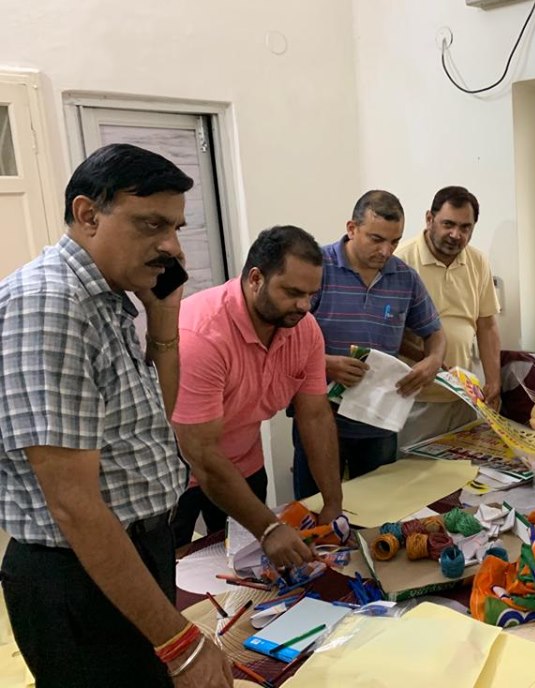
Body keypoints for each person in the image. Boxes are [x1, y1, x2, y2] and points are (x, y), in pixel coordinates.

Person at [0, 144, 232, 687]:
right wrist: (179, 643)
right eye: (152, 224)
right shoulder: (50, 304)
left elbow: (155, 420)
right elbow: (74, 504)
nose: (172, 247)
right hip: (79, 576)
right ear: (88, 215)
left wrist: (164, 317)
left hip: (130, 553)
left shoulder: (106, 298)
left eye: (175, 227)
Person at [171, 226, 343, 569]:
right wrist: (268, 528)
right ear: (255, 279)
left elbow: (315, 416)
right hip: (176, 475)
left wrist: (333, 502)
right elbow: (201, 454)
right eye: (292, 292)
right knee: (173, 572)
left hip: (244, 464)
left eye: (311, 294)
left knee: (246, 568)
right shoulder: (201, 336)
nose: (304, 305)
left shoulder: (304, 329)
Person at [293, 190, 445, 498]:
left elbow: (435, 333)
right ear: (352, 229)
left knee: (378, 505)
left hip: (379, 420)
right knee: (315, 507)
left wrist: (433, 360)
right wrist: (324, 364)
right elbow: (281, 340)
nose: (386, 251)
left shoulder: (404, 278)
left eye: (394, 241)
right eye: (376, 239)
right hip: (319, 417)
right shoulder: (316, 268)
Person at [395, 186, 501, 446]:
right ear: (429, 219)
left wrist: (493, 380)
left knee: (462, 468)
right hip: (416, 399)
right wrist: (429, 359)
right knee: (414, 470)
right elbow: (388, 331)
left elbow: (486, 325)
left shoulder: (478, 261)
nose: (456, 235)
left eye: (465, 227)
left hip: (464, 396)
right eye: (448, 224)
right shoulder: (401, 261)